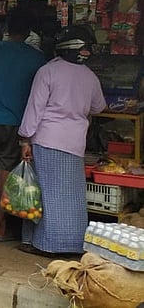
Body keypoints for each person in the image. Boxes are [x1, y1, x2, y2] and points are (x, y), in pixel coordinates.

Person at [18, 25, 105, 257]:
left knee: (44, 194)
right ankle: (74, 243)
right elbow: (99, 106)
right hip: (75, 143)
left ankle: (44, 243)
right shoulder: (90, 76)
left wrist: (25, 138)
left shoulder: (48, 72)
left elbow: (35, 108)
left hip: (47, 140)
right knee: (72, 197)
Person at [0, 10, 46, 241]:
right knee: (6, 172)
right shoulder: (37, 58)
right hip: (16, 122)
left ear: (6, 28)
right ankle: (1, 228)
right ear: (27, 33)